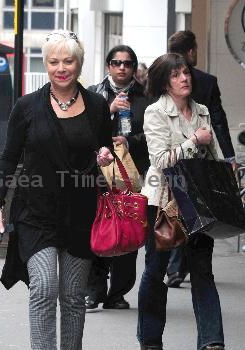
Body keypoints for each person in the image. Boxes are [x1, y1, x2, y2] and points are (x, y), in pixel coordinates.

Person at [0, 30, 114, 350]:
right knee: (43, 288)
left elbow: (105, 153)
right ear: (45, 64)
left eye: (68, 61)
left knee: (73, 297)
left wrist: (104, 157)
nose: (61, 68)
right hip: (36, 212)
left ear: (79, 63)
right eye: (54, 61)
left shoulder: (98, 106)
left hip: (81, 212)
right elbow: (8, 157)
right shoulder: (27, 106)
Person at [137, 53, 225, 350]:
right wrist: (193, 142)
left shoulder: (202, 111)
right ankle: (150, 339)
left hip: (199, 203)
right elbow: (160, 160)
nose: (184, 78)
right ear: (164, 82)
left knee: (202, 270)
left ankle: (212, 341)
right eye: (175, 75)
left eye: (186, 72)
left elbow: (213, 158)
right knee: (155, 270)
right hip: (165, 202)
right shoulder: (155, 112)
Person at [166, 30, 236, 288]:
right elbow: (218, 121)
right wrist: (228, 156)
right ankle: (184, 265)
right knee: (197, 209)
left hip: (173, 158)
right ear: (192, 51)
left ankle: (176, 266)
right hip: (201, 159)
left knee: (179, 208)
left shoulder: (162, 77)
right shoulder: (206, 82)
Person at [85, 45, 150, 310]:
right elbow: (83, 129)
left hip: (131, 174)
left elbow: (153, 135)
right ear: (108, 66)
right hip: (97, 173)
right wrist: (109, 109)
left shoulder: (147, 96)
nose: (122, 67)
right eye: (116, 62)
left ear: (134, 67)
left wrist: (129, 140)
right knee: (98, 226)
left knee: (128, 228)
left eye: (127, 63)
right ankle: (94, 289)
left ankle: (118, 293)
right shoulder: (92, 94)